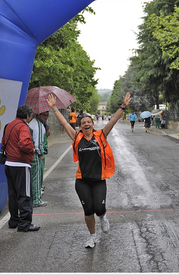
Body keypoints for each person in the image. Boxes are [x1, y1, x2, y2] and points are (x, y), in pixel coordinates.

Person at [46, 92, 131, 248]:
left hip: (99, 180)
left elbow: (112, 120)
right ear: (80, 126)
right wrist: (54, 108)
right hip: (82, 181)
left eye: (88, 122)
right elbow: (65, 123)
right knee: (88, 210)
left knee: (99, 208)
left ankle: (103, 217)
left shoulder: (100, 136)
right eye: (83, 122)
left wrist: (123, 107)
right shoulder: (77, 137)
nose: (86, 124)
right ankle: (92, 237)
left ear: (92, 124)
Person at [1, 105, 40, 232]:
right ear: (27, 116)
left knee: (12, 194)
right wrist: (32, 149)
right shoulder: (23, 126)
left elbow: (3, 143)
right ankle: (25, 224)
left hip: (9, 164)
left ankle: (14, 220)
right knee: (25, 195)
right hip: (21, 164)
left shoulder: (9, 125)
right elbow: (24, 143)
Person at [28, 111, 49, 208]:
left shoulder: (32, 123)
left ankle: (33, 198)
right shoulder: (39, 125)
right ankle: (36, 200)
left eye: (47, 115)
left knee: (32, 177)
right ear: (38, 114)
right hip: (35, 154)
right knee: (36, 177)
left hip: (29, 153)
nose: (46, 117)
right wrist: (40, 153)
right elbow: (38, 143)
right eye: (44, 115)